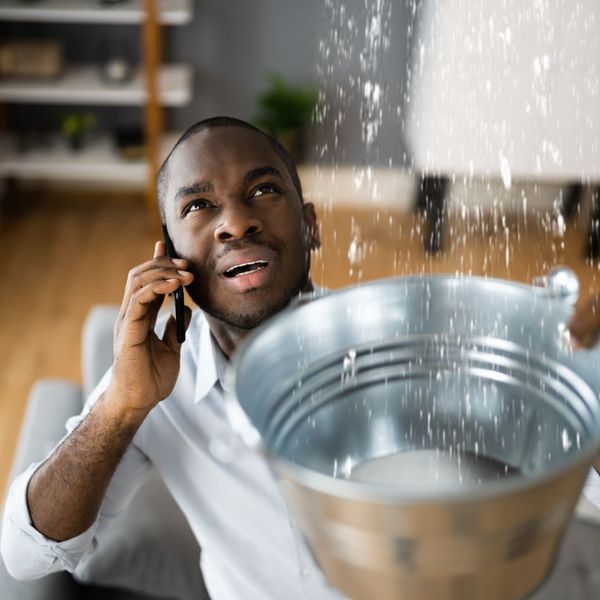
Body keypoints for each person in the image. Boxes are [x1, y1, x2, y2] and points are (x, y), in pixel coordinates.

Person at [1, 116, 600, 600]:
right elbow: (26, 557)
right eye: (198, 207)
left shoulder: (400, 348)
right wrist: (119, 409)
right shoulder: (153, 386)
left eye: (263, 190)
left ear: (310, 226)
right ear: (170, 252)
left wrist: (585, 379)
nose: (236, 221)